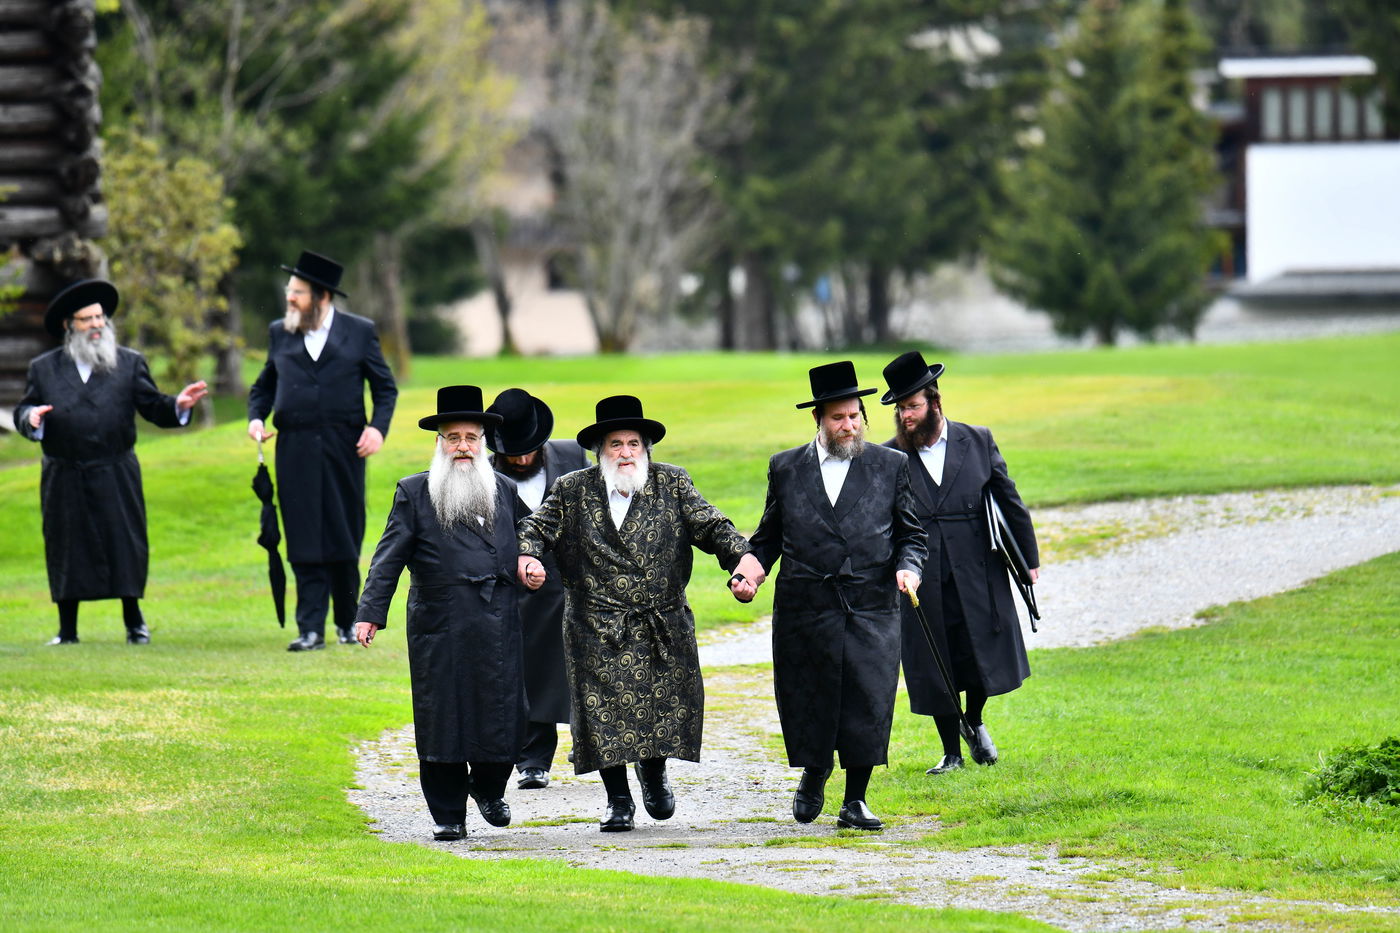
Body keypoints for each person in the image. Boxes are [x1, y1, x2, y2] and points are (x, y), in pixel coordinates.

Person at [516, 395, 763, 832]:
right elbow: (534, 528)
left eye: (634, 443)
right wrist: (529, 558)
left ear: (646, 448)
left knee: (660, 706)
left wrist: (742, 561)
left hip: (661, 620)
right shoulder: (573, 489)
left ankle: (653, 773)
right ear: (600, 451)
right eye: (616, 444)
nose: (626, 452)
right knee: (602, 712)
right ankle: (617, 800)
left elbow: (712, 526)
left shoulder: (673, 483)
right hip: (596, 623)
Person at [748, 361, 926, 832]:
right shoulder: (786, 467)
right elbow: (768, 537)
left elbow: (911, 535)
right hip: (805, 604)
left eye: (855, 416)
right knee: (811, 694)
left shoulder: (891, 465)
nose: (848, 426)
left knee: (867, 697)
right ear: (818, 420)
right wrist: (750, 571)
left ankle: (856, 799)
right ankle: (814, 771)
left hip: (870, 603)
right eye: (837, 418)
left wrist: (909, 569)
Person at [353, 386, 528, 842]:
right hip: (440, 624)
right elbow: (388, 557)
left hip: (498, 620)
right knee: (443, 718)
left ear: (484, 441)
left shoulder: (505, 490)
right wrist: (370, 612)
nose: (463, 446)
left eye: (471, 436)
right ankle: (449, 813)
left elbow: (533, 537)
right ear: (439, 443)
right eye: (453, 437)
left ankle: (489, 789)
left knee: (503, 714)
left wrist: (532, 563)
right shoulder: (414, 492)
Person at [13, 279, 208, 645]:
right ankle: (66, 630)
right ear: (70, 326)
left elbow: (154, 406)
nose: (97, 325)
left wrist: (178, 406)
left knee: (124, 545)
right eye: (87, 319)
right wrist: (31, 419)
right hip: (64, 473)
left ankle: (134, 622)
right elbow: (25, 409)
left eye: (100, 317)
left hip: (115, 471)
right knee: (66, 547)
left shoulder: (129, 363)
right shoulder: (44, 368)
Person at [879, 350, 1039, 775]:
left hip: (977, 566)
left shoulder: (977, 440)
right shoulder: (888, 456)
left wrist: (1029, 559)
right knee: (933, 659)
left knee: (978, 649)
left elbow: (1009, 498)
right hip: (918, 573)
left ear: (935, 401)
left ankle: (976, 719)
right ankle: (951, 749)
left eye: (912, 406)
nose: (906, 416)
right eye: (900, 408)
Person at [247, 250, 397, 652]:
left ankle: (347, 622)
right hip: (294, 447)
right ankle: (309, 628)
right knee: (303, 535)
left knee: (343, 534)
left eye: (297, 292)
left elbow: (385, 389)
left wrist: (377, 430)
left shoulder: (360, 331)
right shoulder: (281, 332)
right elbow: (263, 386)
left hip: (344, 447)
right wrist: (256, 418)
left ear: (323, 297)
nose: (290, 299)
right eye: (289, 292)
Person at [485, 388, 590, 790]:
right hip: (512, 585)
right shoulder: (481, 473)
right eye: (514, 454)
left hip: (567, 582)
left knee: (580, 667)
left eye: (530, 450)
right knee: (529, 671)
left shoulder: (572, 458)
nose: (523, 460)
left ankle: (590, 744)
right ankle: (533, 759)